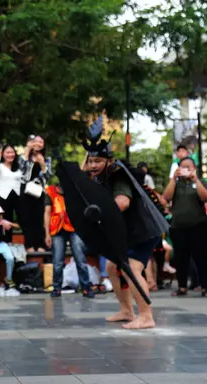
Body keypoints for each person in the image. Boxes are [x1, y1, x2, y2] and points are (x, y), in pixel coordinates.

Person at [82, 115, 164, 329]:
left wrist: (99, 213)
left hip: (144, 229)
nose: (93, 165)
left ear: (108, 160)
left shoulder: (118, 175)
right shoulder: (99, 176)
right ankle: (127, 310)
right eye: (91, 161)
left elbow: (122, 202)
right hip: (130, 230)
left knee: (132, 269)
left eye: (98, 161)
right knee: (111, 266)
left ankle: (146, 316)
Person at [163, 157, 207, 297]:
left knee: (201, 257)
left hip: (198, 226)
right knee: (180, 257)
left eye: (188, 167)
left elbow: (205, 197)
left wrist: (195, 179)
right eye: (182, 167)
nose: (185, 169)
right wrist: (173, 178)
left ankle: (205, 287)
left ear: (194, 168)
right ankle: (182, 286)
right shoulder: (176, 183)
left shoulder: (201, 182)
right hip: (178, 226)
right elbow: (166, 197)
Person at [44, 184, 93, 298]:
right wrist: (47, 233)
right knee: (57, 262)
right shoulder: (50, 192)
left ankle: (86, 287)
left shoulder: (75, 189)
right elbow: (47, 212)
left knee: (80, 259)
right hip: (57, 229)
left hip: (73, 228)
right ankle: (57, 289)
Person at [18, 135, 52, 253]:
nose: (38, 144)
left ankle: (40, 244)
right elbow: (20, 170)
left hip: (38, 191)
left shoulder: (47, 159)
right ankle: (29, 245)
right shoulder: (24, 158)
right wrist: (27, 152)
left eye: (40, 142)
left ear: (43, 145)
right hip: (25, 191)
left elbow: (48, 176)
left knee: (38, 218)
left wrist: (42, 163)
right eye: (35, 141)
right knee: (27, 218)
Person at [0, 145, 22, 240]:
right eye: (7, 152)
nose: (10, 155)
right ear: (3, 154)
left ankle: (27, 243)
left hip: (18, 194)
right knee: (5, 220)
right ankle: (6, 241)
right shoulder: (0, 167)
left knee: (23, 218)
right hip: (5, 195)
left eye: (12, 152)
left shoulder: (19, 166)